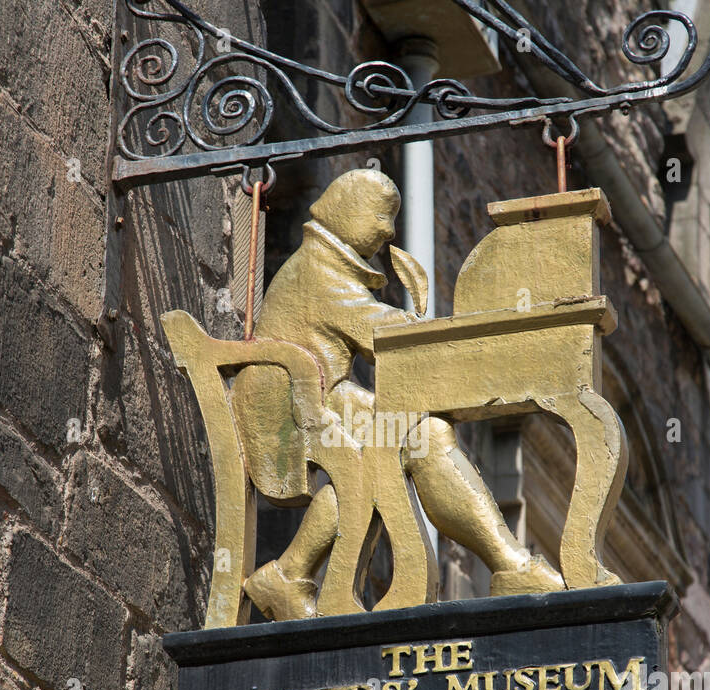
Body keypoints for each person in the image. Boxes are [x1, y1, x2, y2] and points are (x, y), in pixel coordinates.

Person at [234, 168, 562, 620]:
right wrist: (421, 321)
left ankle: (289, 573)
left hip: (317, 399)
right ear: (348, 211)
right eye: (382, 216)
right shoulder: (317, 271)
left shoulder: (327, 267)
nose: (388, 231)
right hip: (290, 410)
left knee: (413, 437)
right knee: (420, 437)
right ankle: (509, 563)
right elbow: (376, 332)